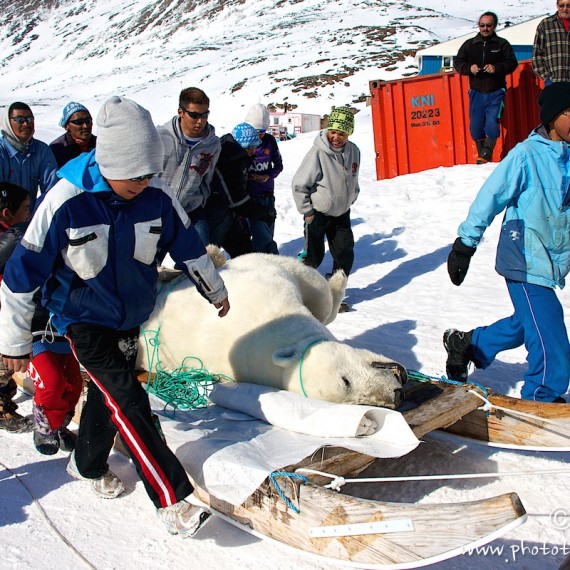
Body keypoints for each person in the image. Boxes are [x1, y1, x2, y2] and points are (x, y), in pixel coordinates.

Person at [0, 96, 230, 537]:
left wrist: (215, 291)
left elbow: (188, 248)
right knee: (129, 399)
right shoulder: (67, 199)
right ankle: (171, 500)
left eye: (150, 173)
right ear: (109, 163)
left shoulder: (156, 196)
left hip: (129, 316)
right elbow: (20, 274)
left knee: (110, 399)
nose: (144, 182)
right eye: (136, 175)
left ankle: (85, 464)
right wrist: (13, 343)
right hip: (80, 319)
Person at [444, 82, 570, 404]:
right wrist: (465, 243)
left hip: (549, 259)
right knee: (549, 335)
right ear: (553, 116)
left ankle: (470, 344)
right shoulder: (526, 155)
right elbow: (491, 196)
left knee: (528, 323)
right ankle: (541, 397)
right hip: (524, 257)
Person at [292, 107, 360, 284]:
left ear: (349, 134)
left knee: (345, 253)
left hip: (341, 213)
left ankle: (334, 292)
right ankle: (301, 288)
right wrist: (307, 211)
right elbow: (299, 183)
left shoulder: (354, 151)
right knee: (313, 257)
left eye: (342, 134)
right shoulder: (318, 152)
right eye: (333, 132)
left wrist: (351, 197)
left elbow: (353, 177)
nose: (336, 138)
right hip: (317, 213)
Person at [158, 87, 221, 246]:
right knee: (149, 262)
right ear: (181, 112)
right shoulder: (159, 136)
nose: (200, 121)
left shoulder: (213, 144)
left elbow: (208, 177)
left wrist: (200, 200)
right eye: (194, 115)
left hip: (191, 209)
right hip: (158, 212)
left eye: (204, 115)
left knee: (202, 259)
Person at [453, 12, 518, 164]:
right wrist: (470, 68)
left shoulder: (502, 44)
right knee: (475, 126)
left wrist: (496, 68)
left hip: (496, 91)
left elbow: (512, 63)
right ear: (479, 26)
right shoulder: (470, 45)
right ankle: (482, 154)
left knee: (492, 122)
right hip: (476, 91)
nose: (485, 28)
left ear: (494, 26)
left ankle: (486, 153)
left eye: (488, 25)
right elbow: (458, 62)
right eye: (482, 25)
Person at [206, 122, 274, 257]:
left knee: (243, 251)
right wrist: (262, 212)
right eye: (253, 147)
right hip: (217, 214)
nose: (255, 151)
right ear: (245, 146)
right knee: (206, 256)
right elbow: (236, 200)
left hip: (229, 214)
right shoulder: (231, 162)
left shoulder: (236, 157)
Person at [0, 182, 32, 433]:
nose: (29, 214)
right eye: (25, 209)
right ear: (7, 214)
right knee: (4, 362)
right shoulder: (12, 239)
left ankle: (5, 396)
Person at [0, 102, 58, 210]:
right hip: (4, 219)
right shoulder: (2, 151)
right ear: (8, 122)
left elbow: (52, 189)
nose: (26, 124)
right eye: (20, 120)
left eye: (30, 119)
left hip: (31, 218)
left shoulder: (42, 150)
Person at [244, 103, 283, 254]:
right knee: (263, 239)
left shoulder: (270, 141)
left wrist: (268, 176)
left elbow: (278, 166)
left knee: (267, 232)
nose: (259, 134)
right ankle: (276, 261)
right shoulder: (242, 142)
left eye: (262, 131)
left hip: (267, 196)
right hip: (251, 198)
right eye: (256, 131)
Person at [532, 2, 570, 85]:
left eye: (568, 6)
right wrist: (546, 77)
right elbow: (537, 54)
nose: (565, 9)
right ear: (557, 5)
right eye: (561, 5)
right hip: (554, 81)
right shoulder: (545, 24)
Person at [50, 102, 97, 168]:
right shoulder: (57, 149)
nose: (85, 126)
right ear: (67, 126)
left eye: (88, 121)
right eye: (79, 122)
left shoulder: (100, 143)